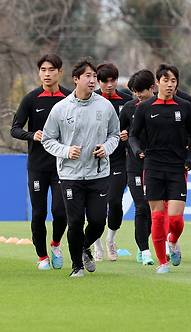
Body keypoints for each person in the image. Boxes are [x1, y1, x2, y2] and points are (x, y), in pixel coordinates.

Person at [42, 58, 120, 277]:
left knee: (97, 221)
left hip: (98, 173)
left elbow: (115, 134)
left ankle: (84, 246)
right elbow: (48, 139)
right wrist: (66, 151)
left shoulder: (105, 106)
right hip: (70, 175)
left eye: (94, 76)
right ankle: (77, 266)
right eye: (88, 76)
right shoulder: (60, 108)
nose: (93, 80)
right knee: (74, 221)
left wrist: (106, 147)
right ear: (76, 79)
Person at [129, 64, 191, 274]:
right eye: (166, 80)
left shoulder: (184, 107)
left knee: (175, 220)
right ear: (157, 83)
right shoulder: (145, 107)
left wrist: (190, 157)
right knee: (157, 217)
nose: (170, 85)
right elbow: (133, 135)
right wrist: (137, 149)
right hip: (153, 167)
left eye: (173, 81)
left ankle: (173, 241)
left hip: (177, 168)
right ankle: (162, 262)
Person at [10, 54, 70, 270]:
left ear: (60, 72)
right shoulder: (31, 98)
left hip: (63, 165)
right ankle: (42, 257)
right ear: (39, 73)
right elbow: (15, 129)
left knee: (61, 211)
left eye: (51, 69)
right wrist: (31, 135)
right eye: (43, 69)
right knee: (38, 213)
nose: (47, 74)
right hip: (37, 166)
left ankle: (55, 244)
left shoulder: (69, 98)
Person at [93, 62, 133, 261]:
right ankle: (96, 244)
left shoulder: (127, 100)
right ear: (98, 82)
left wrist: (127, 135)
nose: (109, 85)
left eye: (113, 80)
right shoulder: (89, 100)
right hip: (93, 160)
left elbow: (135, 126)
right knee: (95, 206)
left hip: (118, 160)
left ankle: (110, 240)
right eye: (105, 81)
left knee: (115, 202)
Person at [122, 69, 156, 266]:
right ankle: (144, 250)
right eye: (134, 92)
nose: (137, 96)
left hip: (156, 165)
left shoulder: (161, 106)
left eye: (140, 91)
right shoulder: (128, 108)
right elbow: (120, 132)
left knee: (153, 210)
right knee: (141, 207)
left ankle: (145, 243)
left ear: (152, 87)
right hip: (135, 165)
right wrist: (123, 137)